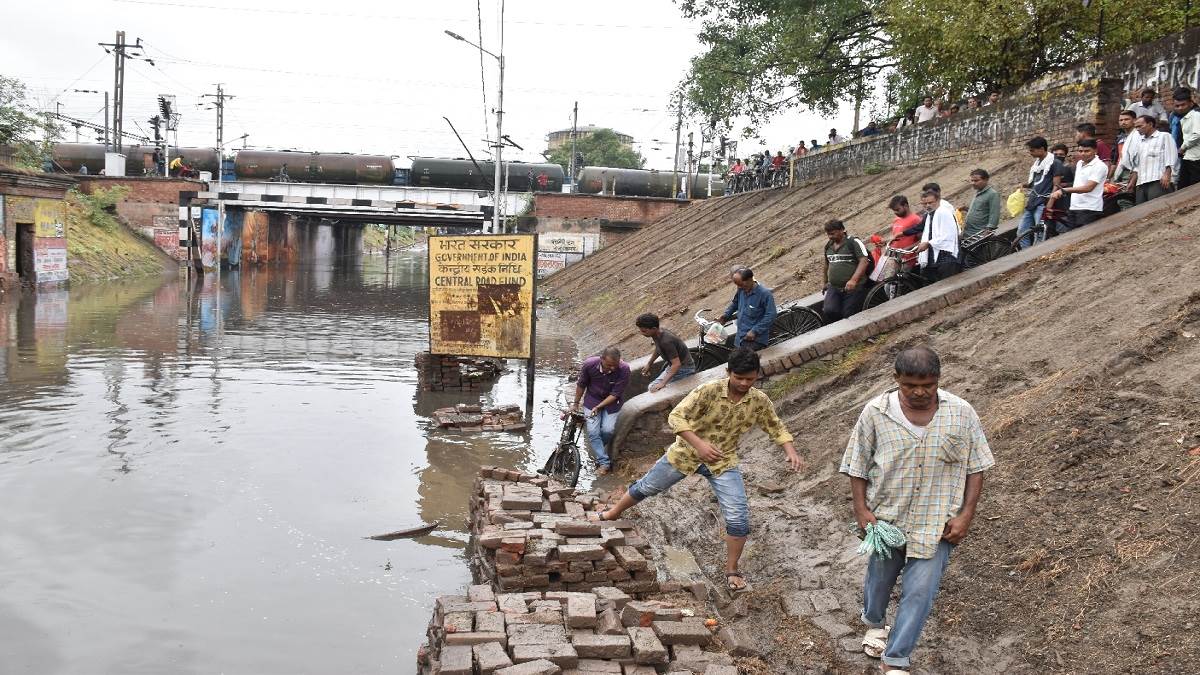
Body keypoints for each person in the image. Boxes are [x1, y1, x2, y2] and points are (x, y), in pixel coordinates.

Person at [841, 346, 994, 675]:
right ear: (896, 379)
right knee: (879, 581)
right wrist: (861, 509)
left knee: (920, 591)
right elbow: (857, 465)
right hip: (887, 517)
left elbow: (976, 467)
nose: (920, 392)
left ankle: (895, 659)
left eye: (928, 384)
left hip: (936, 522)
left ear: (938, 379)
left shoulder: (961, 413)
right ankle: (875, 622)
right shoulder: (876, 412)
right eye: (910, 385)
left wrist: (966, 514)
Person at [600, 347, 804, 593]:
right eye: (738, 377)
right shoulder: (709, 391)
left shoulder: (758, 401)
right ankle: (612, 514)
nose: (743, 383)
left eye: (749, 379)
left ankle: (732, 569)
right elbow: (676, 417)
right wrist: (700, 445)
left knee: (738, 517)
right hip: (685, 454)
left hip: (723, 461)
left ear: (757, 375)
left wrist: (790, 451)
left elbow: (776, 426)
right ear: (728, 372)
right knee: (647, 487)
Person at [569, 347, 630, 476]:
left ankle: (598, 450)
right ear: (601, 359)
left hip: (612, 403)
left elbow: (615, 394)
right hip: (592, 400)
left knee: (607, 430)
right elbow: (581, 384)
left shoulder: (624, 369)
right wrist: (575, 403)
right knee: (592, 431)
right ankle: (604, 462)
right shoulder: (589, 365)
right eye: (609, 365)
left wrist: (600, 406)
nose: (612, 368)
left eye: (615, 365)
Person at [1050, 139, 1108, 231]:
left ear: (1095, 151)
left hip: (1089, 209)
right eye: (1081, 151)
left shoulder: (1100, 166)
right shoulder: (1080, 163)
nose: (1083, 154)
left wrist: (1064, 190)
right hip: (1074, 207)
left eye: (1087, 151)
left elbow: (1088, 188)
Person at [1120, 114, 1179, 205]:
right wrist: (1132, 182)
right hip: (1141, 182)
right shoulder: (1140, 142)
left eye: (1140, 126)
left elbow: (1171, 156)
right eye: (1136, 127)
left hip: (1158, 179)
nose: (1138, 129)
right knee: (1142, 211)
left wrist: (1167, 174)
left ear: (1150, 124)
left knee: (1159, 207)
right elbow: (1137, 165)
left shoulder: (1164, 136)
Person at [1016, 136, 1063, 249]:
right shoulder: (1037, 164)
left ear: (1041, 149)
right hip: (1032, 202)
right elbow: (1034, 183)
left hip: (1043, 202)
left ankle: (1036, 259)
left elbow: (1056, 184)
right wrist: (1024, 185)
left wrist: (1050, 202)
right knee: (1021, 233)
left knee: (1040, 234)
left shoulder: (1054, 162)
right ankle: (1026, 256)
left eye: (1032, 150)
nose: (1030, 153)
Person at [822, 219, 872, 323]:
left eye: (832, 233)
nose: (830, 237)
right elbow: (827, 264)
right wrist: (825, 281)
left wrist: (853, 280)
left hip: (854, 287)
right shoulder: (828, 246)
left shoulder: (853, 242)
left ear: (842, 230)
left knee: (849, 314)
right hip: (834, 287)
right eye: (828, 234)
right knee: (829, 310)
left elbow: (864, 261)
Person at [636, 313, 696, 393]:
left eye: (644, 331)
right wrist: (649, 363)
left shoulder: (666, 341)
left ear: (653, 328)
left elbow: (676, 364)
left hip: (684, 369)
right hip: (675, 366)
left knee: (653, 389)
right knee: (652, 387)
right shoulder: (658, 334)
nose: (642, 333)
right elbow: (658, 348)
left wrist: (662, 383)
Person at [720, 267, 777, 351]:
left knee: (745, 361)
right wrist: (725, 315)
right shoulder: (741, 290)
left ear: (750, 279)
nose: (740, 287)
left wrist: (755, 331)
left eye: (742, 285)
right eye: (738, 285)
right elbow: (735, 303)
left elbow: (771, 315)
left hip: (755, 339)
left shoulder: (764, 294)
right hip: (740, 337)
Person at [916, 188, 960, 281]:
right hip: (934, 255)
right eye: (925, 204)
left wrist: (928, 243)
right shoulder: (929, 215)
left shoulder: (944, 212)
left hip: (947, 255)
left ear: (938, 200)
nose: (928, 206)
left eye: (931, 202)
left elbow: (948, 235)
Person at [963, 169, 1000, 240]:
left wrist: (988, 230)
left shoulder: (992, 194)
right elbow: (980, 210)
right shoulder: (978, 192)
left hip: (979, 234)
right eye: (972, 181)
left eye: (976, 181)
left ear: (986, 180)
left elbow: (994, 214)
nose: (973, 183)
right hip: (968, 233)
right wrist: (966, 209)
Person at [887, 195, 923, 268]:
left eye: (897, 209)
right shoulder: (896, 220)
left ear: (905, 206)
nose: (895, 212)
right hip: (897, 259)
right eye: (894, 210)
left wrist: (906, 249)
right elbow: (896, 238)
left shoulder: (915, 219)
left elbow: (922, 240)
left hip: (909, 260)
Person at [1174, 88, 1200, 189]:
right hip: (1188, 156)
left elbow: (1197, 134)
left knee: (1194, 188)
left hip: (1196, 157)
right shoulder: (1185, 117)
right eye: (1177, 106)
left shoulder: (1196, 115)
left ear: (1190, 103)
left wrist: (1183, 147)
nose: (1180, 108)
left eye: (1183, 105)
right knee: (1184, 187)